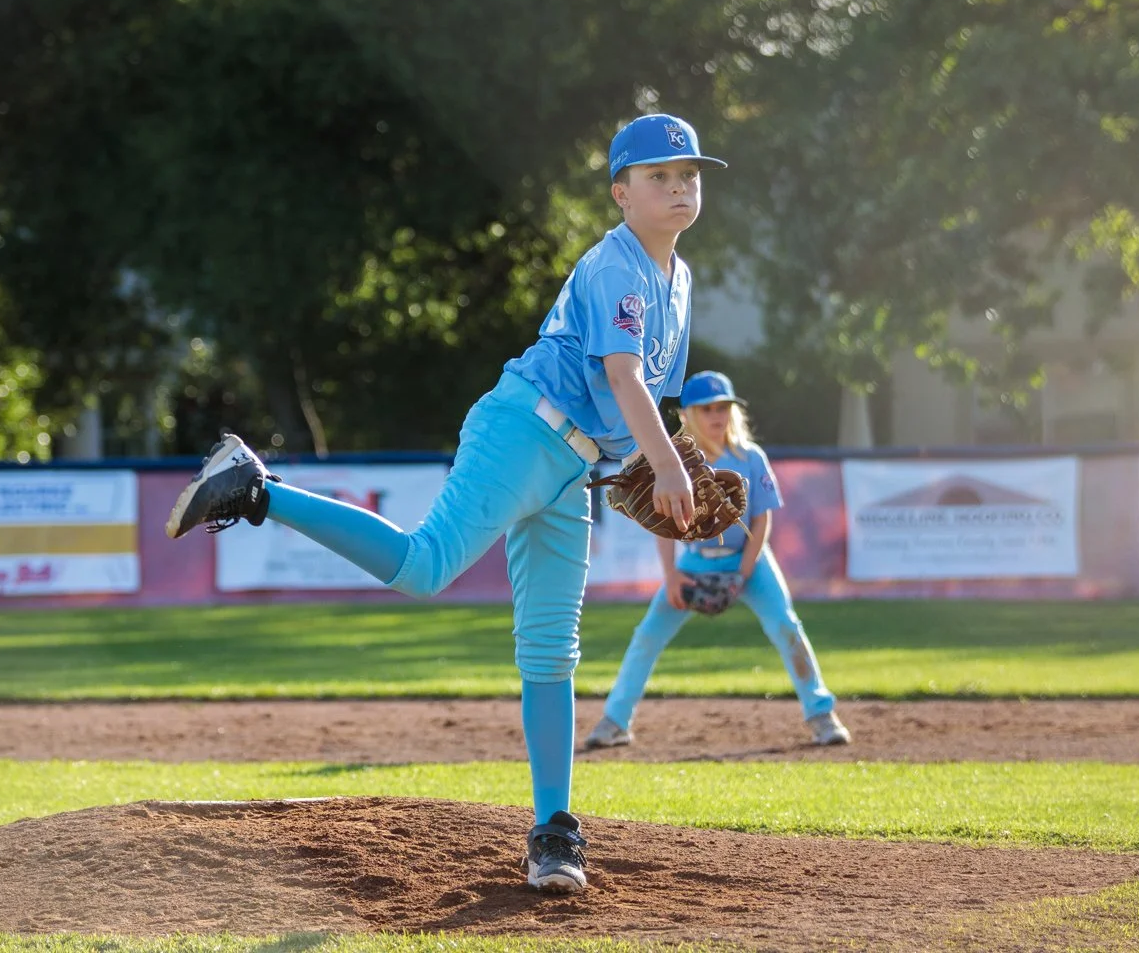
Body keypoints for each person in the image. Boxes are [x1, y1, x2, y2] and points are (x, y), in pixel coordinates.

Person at [163, 113, 726, 893]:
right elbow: (625, 379)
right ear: (621, 194)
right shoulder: (616, 266)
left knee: (551, 650)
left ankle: (554, 831)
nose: (679, 187)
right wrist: (668, 468)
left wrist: (644, 464)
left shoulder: (681, 280)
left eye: (689, 174)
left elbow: (645, 398)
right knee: (425, 566)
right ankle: (259, 490)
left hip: (573, 466)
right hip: (522, 430)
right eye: (660, 175)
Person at [584, 370, 852, 751]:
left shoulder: (749, 457)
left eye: (723, 407)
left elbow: (762, 518)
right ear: (687, 415)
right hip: (694, 564)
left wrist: (744, 572)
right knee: (647, 636)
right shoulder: (673, 462)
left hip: (750, 560)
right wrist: (672, 576)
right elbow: (664, 526)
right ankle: (615, 721)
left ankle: (822, 714)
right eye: (707, 408)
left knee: (786, 626)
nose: (717, 416)